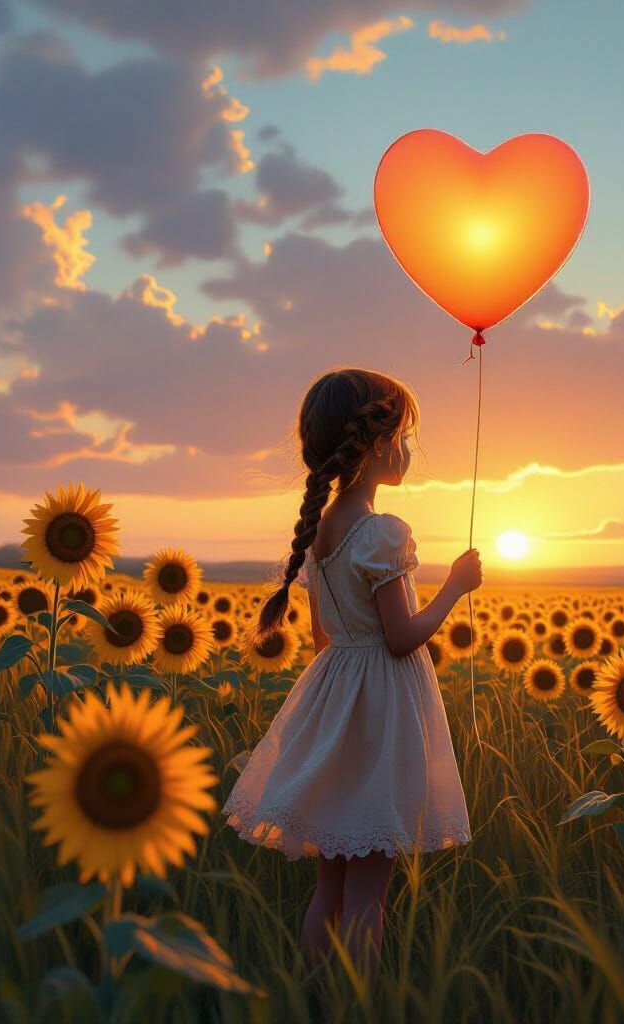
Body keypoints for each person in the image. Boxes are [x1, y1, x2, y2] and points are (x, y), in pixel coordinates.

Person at [221, 367, 481, 977]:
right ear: (377, 444)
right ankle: (360, 1004)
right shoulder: (382, 532)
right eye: (406, 437)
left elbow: (324, 641)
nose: (411, 450)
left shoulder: (320, 534)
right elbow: (400, 639)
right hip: (381, 718)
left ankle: (315, 994)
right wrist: (454, 589)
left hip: (336, 709)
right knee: (369, 895)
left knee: (330, 890)